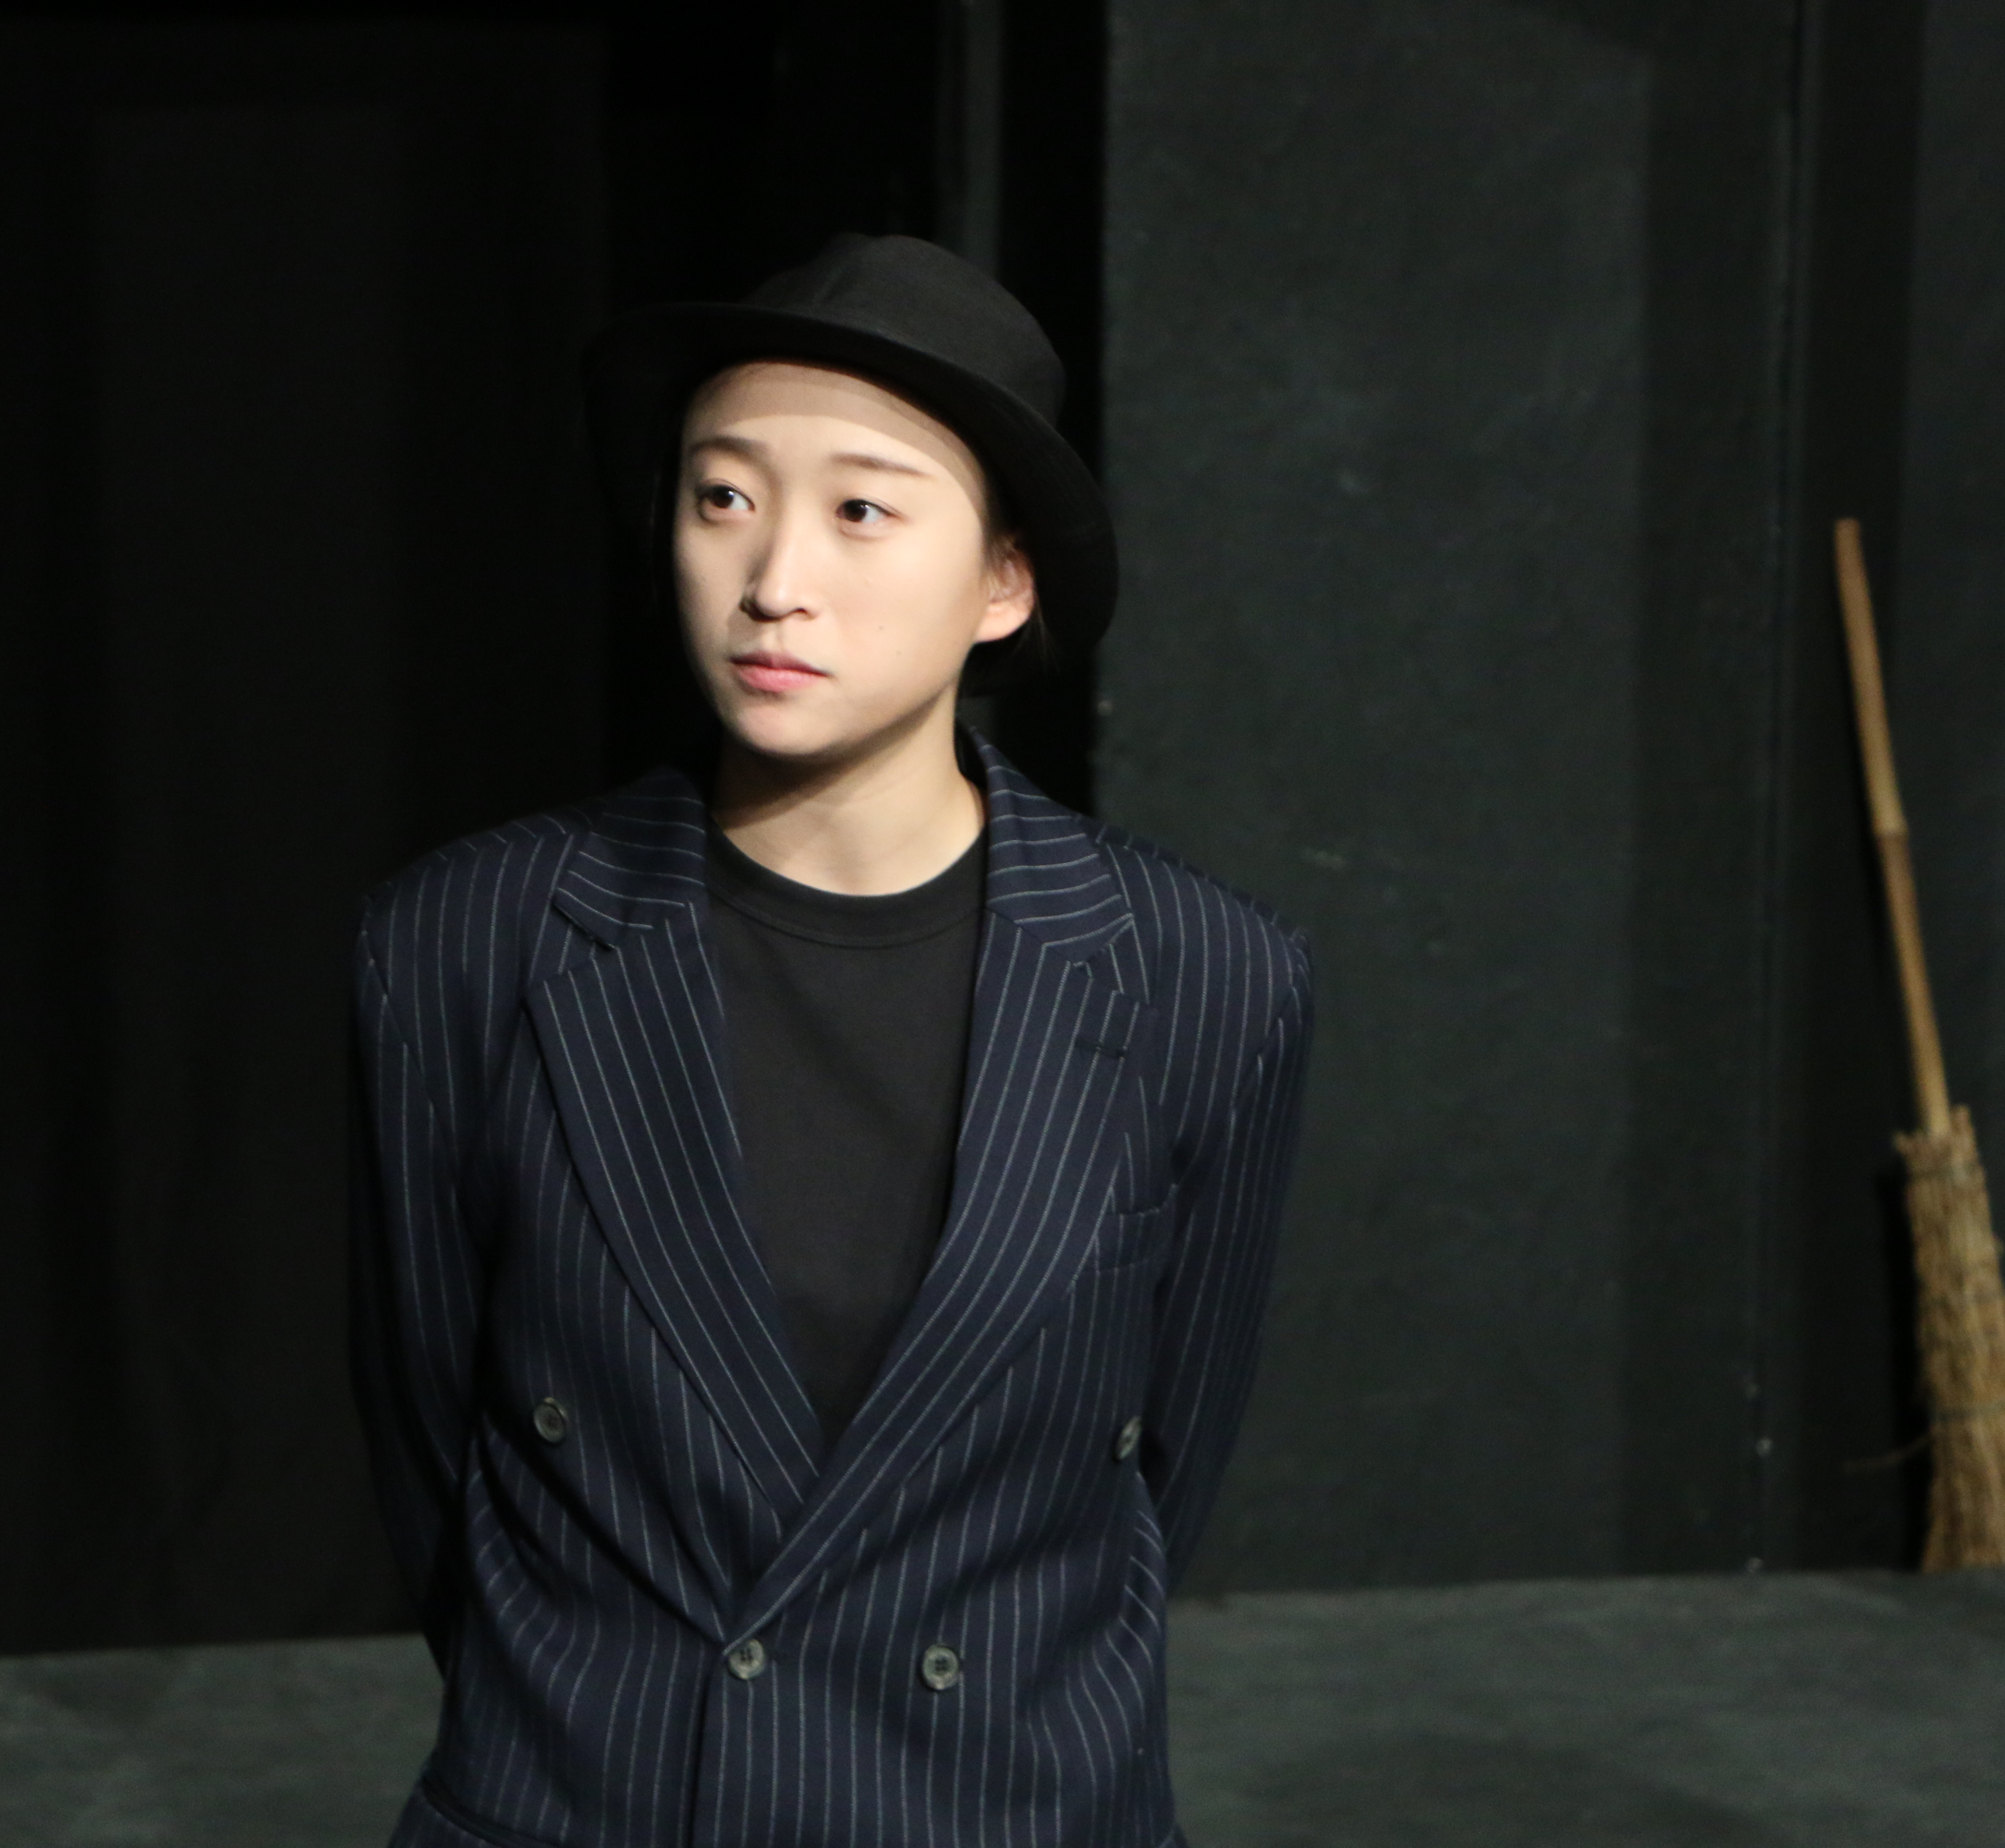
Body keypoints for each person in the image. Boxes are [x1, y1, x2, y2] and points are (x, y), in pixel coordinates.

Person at [350, 233, 1312, 1848]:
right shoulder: (470, 942)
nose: (774, 577)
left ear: (1004, 582)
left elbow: (1157, 1467)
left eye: (863, 510)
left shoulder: (1203, 976)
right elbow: (427, 1434)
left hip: (1000, 1809)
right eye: (724, 496)